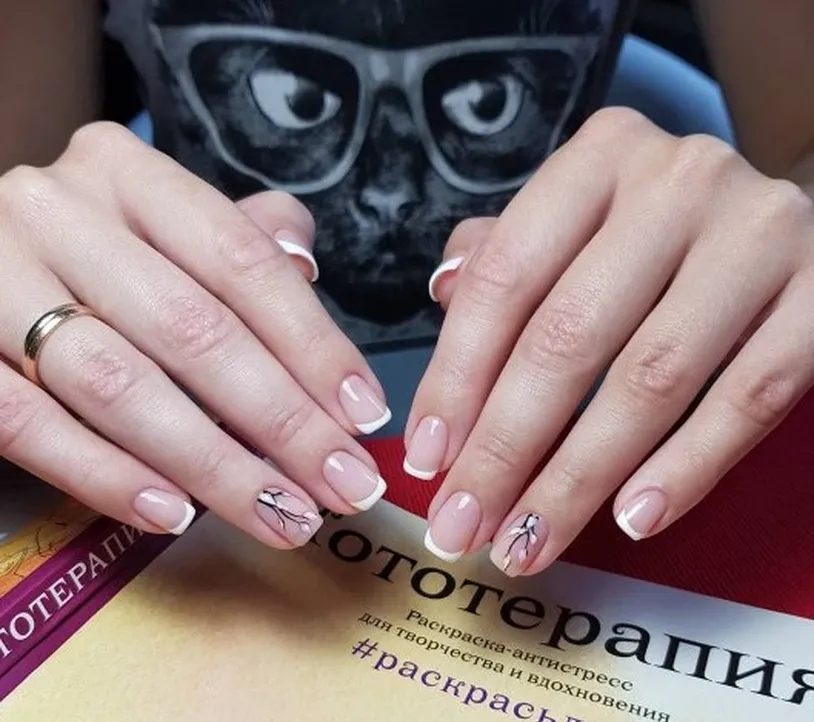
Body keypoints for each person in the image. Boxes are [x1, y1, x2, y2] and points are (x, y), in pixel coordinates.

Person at [1, 0, 812, 577]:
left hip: (609, 450)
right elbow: (33, 189)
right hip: (171, 452)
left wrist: (783, 224)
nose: (390, 193)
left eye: (491, 103)